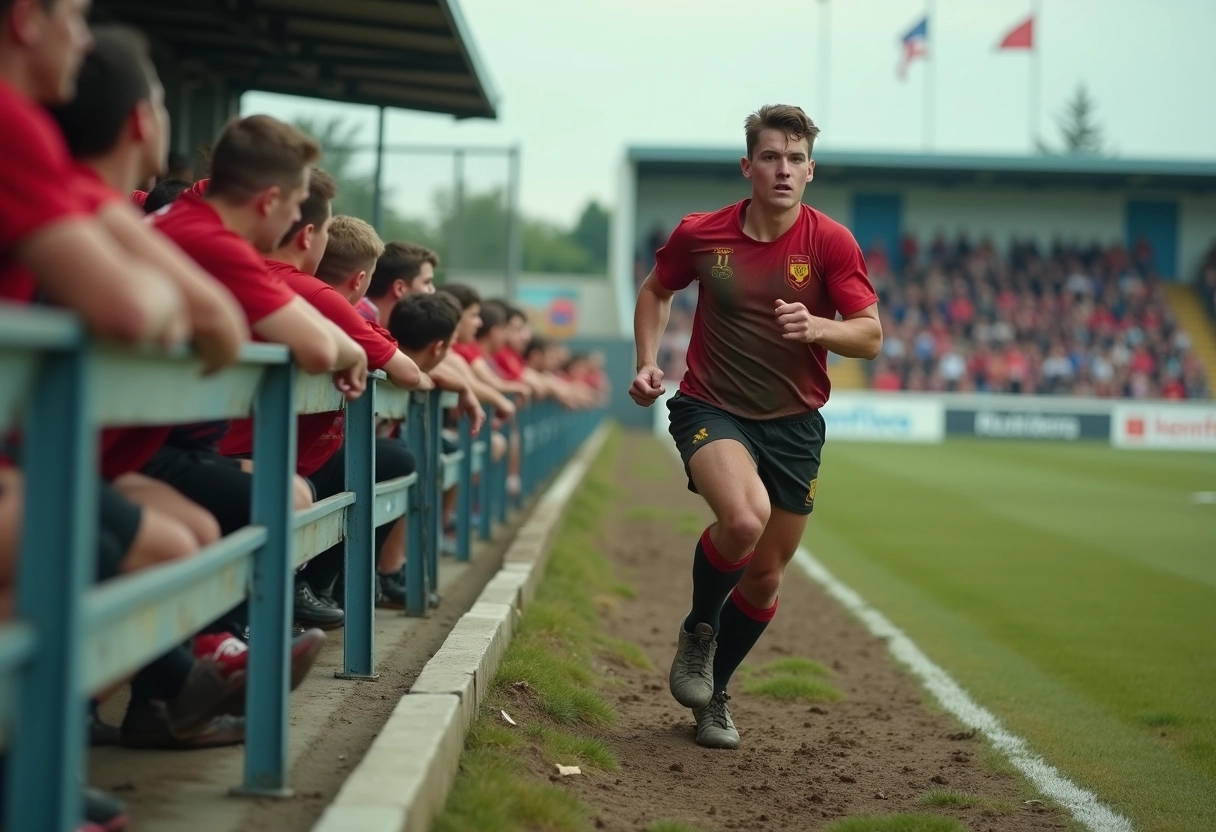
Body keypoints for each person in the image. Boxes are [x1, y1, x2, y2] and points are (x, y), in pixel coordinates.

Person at [629, 104, 881, 750]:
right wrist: (647, 363)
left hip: (795, 425)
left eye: (796, 159)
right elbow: (658, 290)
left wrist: (820, 327)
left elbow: (871, 335)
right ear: (748, 166)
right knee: (744, 520)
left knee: (766, 575)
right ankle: (698, 633)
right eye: (771, 157)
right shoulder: (702, 234)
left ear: (811, 171)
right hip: (711, 407)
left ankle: (715, 692)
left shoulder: (831, 242)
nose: (783, 169)